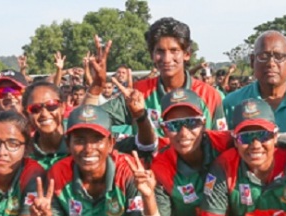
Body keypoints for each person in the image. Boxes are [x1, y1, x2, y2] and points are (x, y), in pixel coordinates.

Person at [23, 105, 168, 216]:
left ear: (111, 143)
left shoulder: (129, 171)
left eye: (97, 140)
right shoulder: (58, 174)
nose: (88, 149)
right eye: (79, 141)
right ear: (68, 144)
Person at [90, 18, 225, 142]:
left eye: (174, 50)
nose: (166, 59)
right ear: (152, 54)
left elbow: (221, 143)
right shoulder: (137, 93)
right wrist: (95, 89)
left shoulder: (210, 95)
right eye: (160, 51)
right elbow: (88, 121)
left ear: (187, 54)